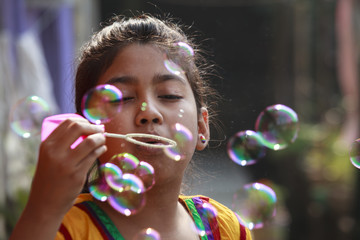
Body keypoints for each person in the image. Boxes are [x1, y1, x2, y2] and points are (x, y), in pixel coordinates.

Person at [10, 14, 252, 240]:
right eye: (123, 98)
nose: (149, 113)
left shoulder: (227, 229)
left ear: (202, 126)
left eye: (169, 95)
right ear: (88, 129)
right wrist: (42, 209)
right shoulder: (61, 229)